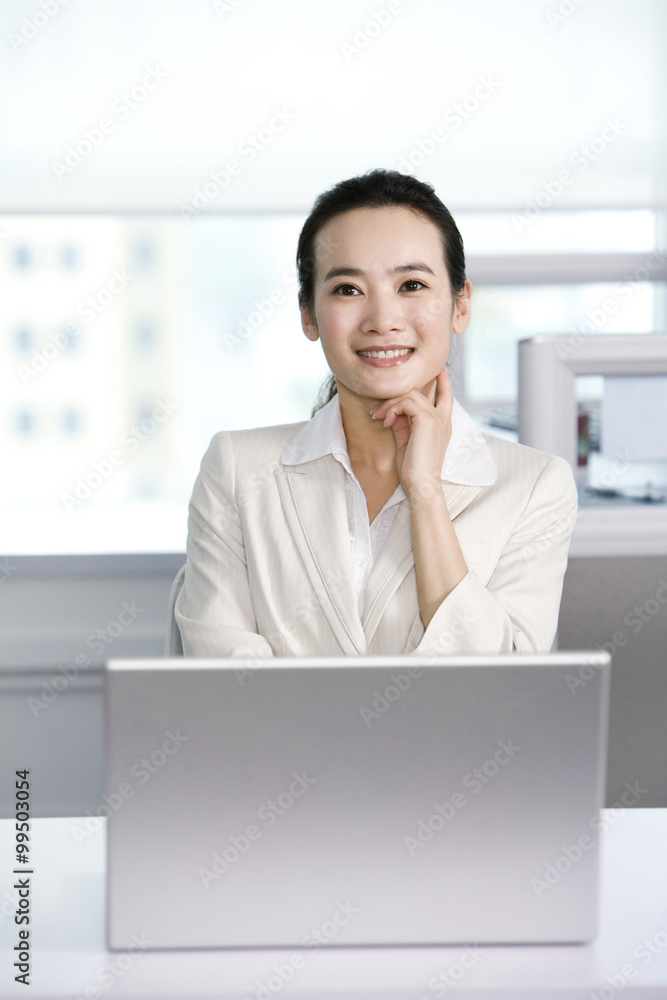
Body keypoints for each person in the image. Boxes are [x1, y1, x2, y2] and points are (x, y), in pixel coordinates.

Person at [175, 168, 578, 658]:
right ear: (308, 313)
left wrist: (425, 490)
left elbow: (507, 691)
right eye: (348, 289)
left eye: (411, 285)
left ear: (460, 304)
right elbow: (222, 686)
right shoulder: (237, 469)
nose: (383, 320)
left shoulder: (535, 486)